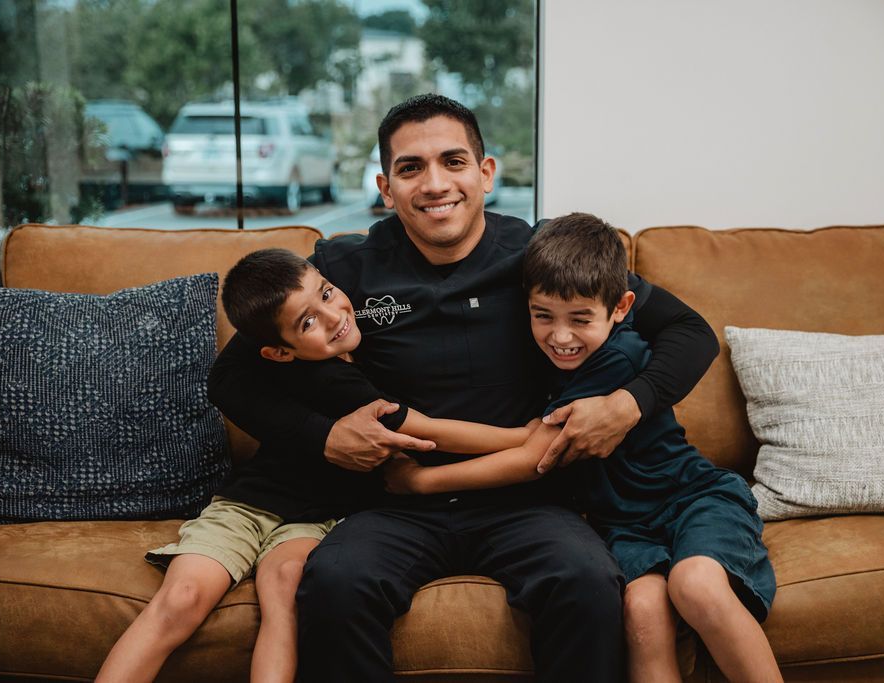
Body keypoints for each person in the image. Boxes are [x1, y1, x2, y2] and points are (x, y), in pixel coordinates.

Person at [207, 94, 720, 682]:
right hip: (395, 502)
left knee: (586, 579)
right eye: (410, 168)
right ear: (385, 186)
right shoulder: (345, 272)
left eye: (453, 161)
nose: (434, 184)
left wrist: (627, 405)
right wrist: (323, 438)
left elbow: (690, 330)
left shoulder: (539, 255)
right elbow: (232, 377)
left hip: (527, 498)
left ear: (485, 172)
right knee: (335, 582)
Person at [96, 248, 538, 683]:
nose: (333, 316)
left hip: (317, 520)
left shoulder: (357, 353)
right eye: (307, 322)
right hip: (246, 504)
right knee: (182, 598)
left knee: (285, 596)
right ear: (279, 352)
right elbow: (428, 429)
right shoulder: (328, 379)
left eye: (326, 294)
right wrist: (524, 437)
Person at [384, 212, 781, 683]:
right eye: (543, 316)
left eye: (580, 319)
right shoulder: (550, 355)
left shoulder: (618, 356)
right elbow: (528, 434)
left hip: (691, 498)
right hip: (624, 524)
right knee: (642, 609)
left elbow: (537, 454)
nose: (561, 336)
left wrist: (420, 479)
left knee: (694, 584)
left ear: (620, 307)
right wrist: (414, 421)